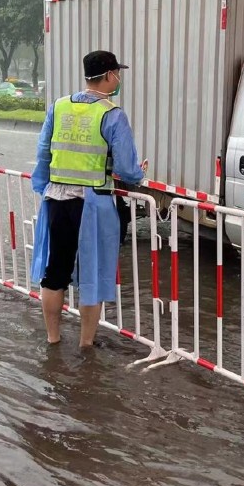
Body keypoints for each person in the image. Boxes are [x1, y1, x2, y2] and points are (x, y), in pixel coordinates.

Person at [30, 50, 147, 348]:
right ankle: (85, 344)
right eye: (117, 73)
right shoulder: (112, 114)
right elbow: (125, 169)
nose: (118, 79)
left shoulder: (59, 107)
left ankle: (53, 339)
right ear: (109, 75)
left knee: (55, 272)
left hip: (56, 200)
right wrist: (137, 174)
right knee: (91, 273)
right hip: (92, 204)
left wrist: (44, 187)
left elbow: (43, 152)